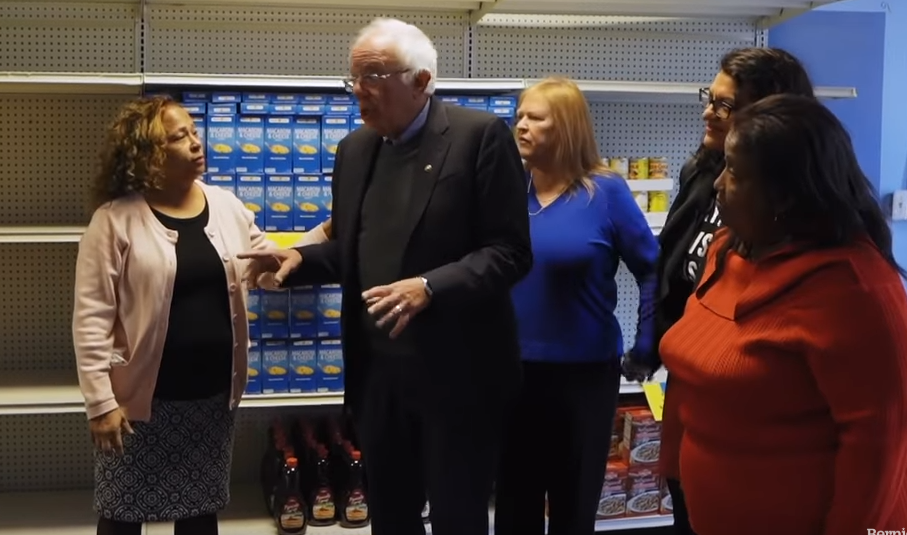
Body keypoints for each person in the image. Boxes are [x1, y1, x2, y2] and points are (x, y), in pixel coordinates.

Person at [240, 17, 531, 535]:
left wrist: (429, 287)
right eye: (353, 78)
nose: (359, 91)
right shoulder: (354, 151)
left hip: (458, 379)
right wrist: (300, 261)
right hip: (379, 379)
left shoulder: (479, 137)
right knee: (391, 517)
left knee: (457, 517)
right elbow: (357, 252)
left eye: (373, 76)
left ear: (421, 80)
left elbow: (509, 252)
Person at [660, 93, 907, 535]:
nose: (717, 185)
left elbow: (882, 453)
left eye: (733, 172)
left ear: (786, 194)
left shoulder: (858, 291)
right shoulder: (726, 251)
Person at [621, 46, 816, 535]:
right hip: (693, 402)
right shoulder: (702, 172)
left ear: (770, 116)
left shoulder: (799, 220)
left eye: (725, 105)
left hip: (752, 429)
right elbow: (670, 266)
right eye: (710, 96)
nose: (708, 110)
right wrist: (654, 341)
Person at [72, 95, 271, 535]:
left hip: (210, 398)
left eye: (194, 133)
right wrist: (101, 404)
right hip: (139, 406)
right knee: (122, 515)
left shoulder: (224, 204)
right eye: (179, 138)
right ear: (148, 154)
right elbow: (90, 320)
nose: (195, 144)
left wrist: (324, 236)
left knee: (200, 513)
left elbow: (266, 261)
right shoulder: (114, 221)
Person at [493, 77, 658, 535]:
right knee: (514, 505)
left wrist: (647, 345)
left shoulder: (604, 192)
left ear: (565, 127)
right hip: (512, 373)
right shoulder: (505, 189)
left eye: (536, 118)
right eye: (519, 116)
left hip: (583, 376)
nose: (521, 126)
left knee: (572, 505)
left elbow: (651, 269)